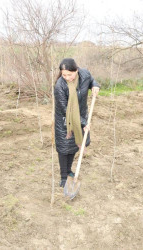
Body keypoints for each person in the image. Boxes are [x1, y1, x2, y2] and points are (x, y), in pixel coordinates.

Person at [54, 58, 100, 187]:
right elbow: (65, 110)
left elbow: (91, 80)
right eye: (64, 75)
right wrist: (83, 122)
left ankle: (69, 171)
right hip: (65, 121)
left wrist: (95, 85)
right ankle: (64, 177)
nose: (67, 77)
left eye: (70, 74)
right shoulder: (60, 86)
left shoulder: (84, 74)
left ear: (77, 70)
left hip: (82, 114)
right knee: (64, 148)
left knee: (74, 145)